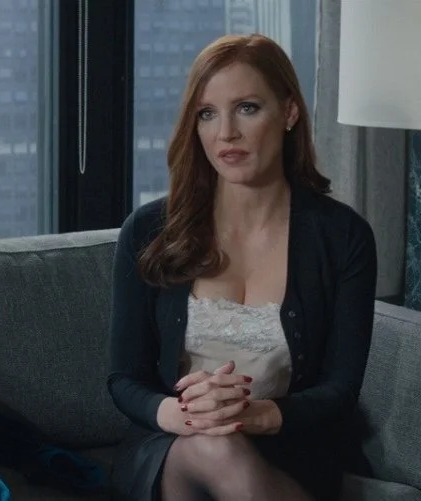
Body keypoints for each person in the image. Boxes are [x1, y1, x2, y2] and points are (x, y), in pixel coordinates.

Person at [106, 34, 377, 501]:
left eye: (247, 108)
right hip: (175, 443)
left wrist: (262, 415)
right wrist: (184, 414)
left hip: (291, 444)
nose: (225, 132)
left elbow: (340, 389)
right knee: (216, 446)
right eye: (207, 114)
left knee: (227, 448)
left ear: (289, 112)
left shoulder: (344, 237)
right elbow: (124, 378)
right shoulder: (149, 230)